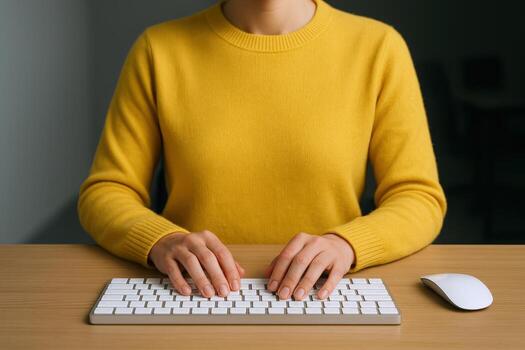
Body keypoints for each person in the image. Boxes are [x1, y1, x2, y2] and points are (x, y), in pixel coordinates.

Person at [77, 0, 447, 302]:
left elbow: (417, 197)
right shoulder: (158, 49)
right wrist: (161, 239)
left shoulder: (378, 47)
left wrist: (346, 245)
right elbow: (107, 192)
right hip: (193, 294)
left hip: (326, 294)